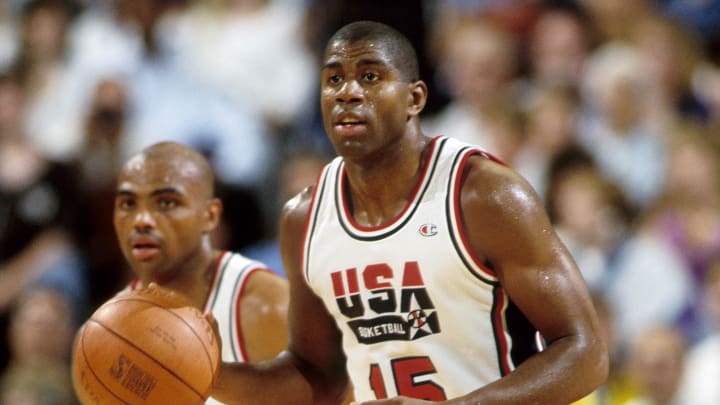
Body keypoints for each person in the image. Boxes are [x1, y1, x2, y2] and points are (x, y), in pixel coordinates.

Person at [212, 20, 608, 404]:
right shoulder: (304, 218)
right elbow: (315, 378)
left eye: (369, 77)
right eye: (334, 79)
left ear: (414, 99)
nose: (347, 92)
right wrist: (209, 373)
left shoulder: (484, 195)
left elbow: (585, 353)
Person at [110, 141, 289, 404]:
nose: (143, 220)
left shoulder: (265, 304)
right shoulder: (112, 327)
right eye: (128, 204)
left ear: (210, 216)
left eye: (166, 203)